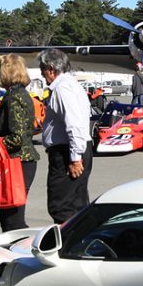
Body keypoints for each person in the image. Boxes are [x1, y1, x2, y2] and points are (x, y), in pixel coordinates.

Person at [0, 54, 39, 229]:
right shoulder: (17, 94)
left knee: (12, 220)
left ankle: (21, 252)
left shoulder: (15, 98)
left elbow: (18, 138)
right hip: (17, 161)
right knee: (8, 217)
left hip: (17, 162)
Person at [39, 48, 93, 223]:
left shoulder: (62, 88)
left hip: (67, 152)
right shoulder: (71, 84)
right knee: (77, 204)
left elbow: (74, 123)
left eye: (42, 69)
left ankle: (66, 245)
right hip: (75, 147)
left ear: (51, 69)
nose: (41, 74)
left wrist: (75, 158)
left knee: (61, 206)